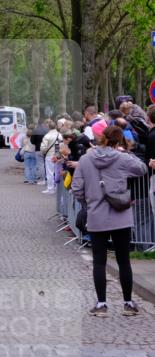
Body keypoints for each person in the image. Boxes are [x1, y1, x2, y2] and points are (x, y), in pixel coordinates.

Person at [71, 124, 147, 316]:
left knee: (99, 262)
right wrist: (126, 152)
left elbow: (77, 188)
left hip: (97, 216)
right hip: (121, 216)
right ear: (119, 140)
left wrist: (89, 203)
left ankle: (101, 305)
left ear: (100, 137)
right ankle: (128, 303)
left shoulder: (85, 159)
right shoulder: (122, 158)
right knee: (123, 260)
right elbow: (142, 169)